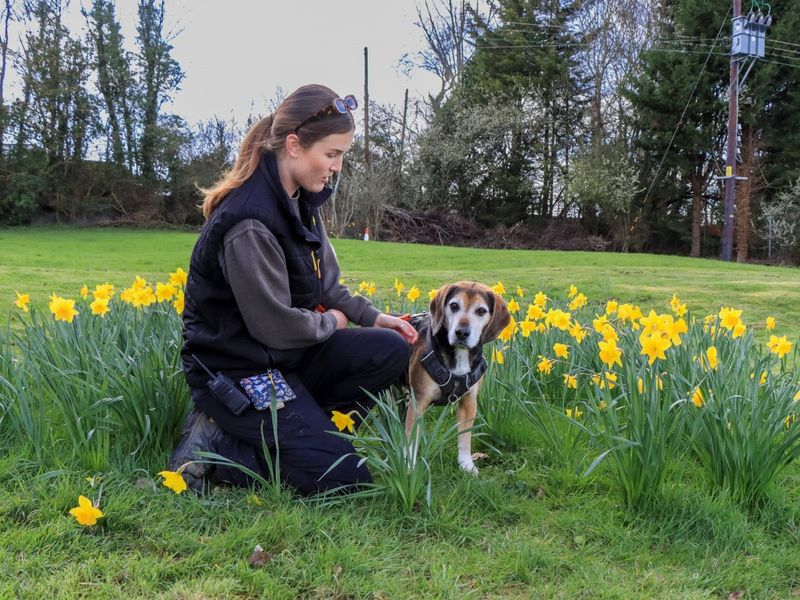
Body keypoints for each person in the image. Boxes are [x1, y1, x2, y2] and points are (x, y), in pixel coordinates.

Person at [169, 84, 418, 495]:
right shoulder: (248, 220)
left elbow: (328, 285)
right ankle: (214, 447)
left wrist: (371, 317)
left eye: (341, 156)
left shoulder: (303, 200)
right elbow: (276, 327)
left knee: (390, 350)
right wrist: (333, 322)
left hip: (290, 358)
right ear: (294, 145)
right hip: (240, 372)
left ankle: (302, 431)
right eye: (332, 154)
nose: (337, 167)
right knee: (344, 480)